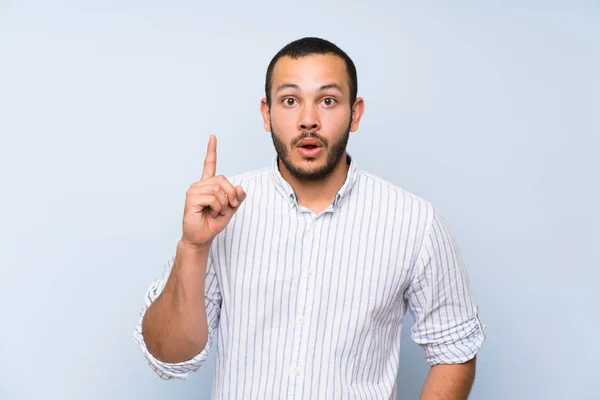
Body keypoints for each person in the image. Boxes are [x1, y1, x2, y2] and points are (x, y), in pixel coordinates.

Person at [133, 37, 486, 399]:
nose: (308, 120)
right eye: (290, 101)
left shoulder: (415, 221)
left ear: (355, 112)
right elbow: (170, 357)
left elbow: (454, 350)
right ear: (267, 113)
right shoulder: (221, 211)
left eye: (328, 101)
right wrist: (193, 246)